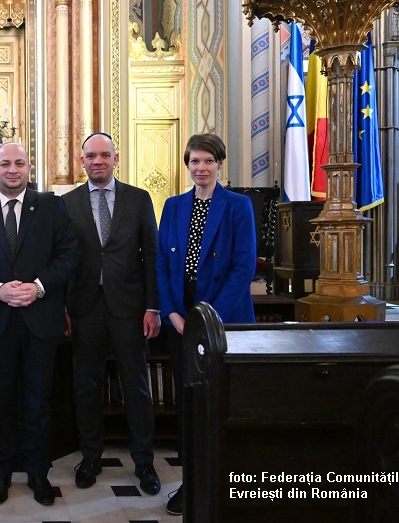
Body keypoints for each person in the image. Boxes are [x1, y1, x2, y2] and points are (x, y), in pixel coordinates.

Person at [0, 142, 78, 507]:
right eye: (5, 164)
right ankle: (1, 472)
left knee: (38, 401)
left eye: (19, 163)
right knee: (0, 401)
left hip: (41, 321)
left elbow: (69, 254)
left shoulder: (53, 207)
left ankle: (38, 472)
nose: (12, 169)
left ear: (29, 168)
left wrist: (37, 287)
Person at [156, 133, 257, 515]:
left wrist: (205, 321)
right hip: (181, 323)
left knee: (220, 404)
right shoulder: (173, 206)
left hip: (223, 322)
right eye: (194, 162)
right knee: (189, 407)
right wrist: (174, 314)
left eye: (208, 161)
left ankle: (226, 482)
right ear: (187, 166)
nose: (200, 168)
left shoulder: (238, 205)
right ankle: (191, 482)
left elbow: (242, 268)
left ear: (219, 164)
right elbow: (163, 265)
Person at [63, 132, 162, 494]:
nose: (98, 161)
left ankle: (144, 462)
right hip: (84, 307)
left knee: (136, 385)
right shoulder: (67, 202)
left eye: (105, 155)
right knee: (86, 385)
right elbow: (61, 259)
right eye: (91, 156)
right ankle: (90, 457)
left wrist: (153, 306)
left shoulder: (138, 199)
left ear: (115, 159)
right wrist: (62, 306)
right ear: (82, 161)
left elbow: (151, 256)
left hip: (130, 307)